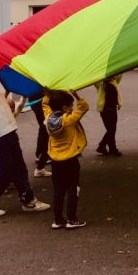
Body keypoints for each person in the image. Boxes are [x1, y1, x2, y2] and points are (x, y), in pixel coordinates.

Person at [0, 47, 50, 217]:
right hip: (1, 138)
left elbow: (3, 88)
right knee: (6, 171)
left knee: (20, 169)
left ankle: (28, 200)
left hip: (9, 135)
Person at [44, 90, 90, 229]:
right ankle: (72, 219)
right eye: (71, 105)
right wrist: (76, 95)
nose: (72, 108)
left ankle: (58, 220)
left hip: (56, 161)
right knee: (72, 189)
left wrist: (47, 94)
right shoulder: (68, 120)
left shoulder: (48, 117)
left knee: (58, 190)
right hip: (70, 160)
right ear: (65, 107)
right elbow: (84, 107)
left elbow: (45, 105)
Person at [94, 75, 123, 157]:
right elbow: (95, 80)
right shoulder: (100, 84)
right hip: (105, 110)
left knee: (112, 130)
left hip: (113, 109)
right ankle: (111, 148)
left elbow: (120, 74)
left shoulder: (114, 81)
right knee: (111, 130)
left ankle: (104, 147)